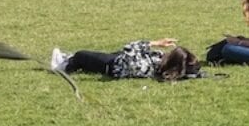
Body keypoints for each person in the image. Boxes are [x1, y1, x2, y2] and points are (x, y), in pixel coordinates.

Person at [51, 38, 186, 80]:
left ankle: (62, 67)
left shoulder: (143, 65)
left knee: (81, 55)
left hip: (114, 65)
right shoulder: (163, 65)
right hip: (120, 60)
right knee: (93, 57)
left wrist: (155, 43)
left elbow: (129, 48)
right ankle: (69, 59)